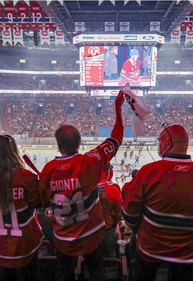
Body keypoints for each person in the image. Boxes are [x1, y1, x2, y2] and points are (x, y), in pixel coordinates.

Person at [40, 90, 125, 281]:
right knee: (95, 272)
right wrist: (118, 107)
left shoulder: (48, 170)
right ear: (79, 143)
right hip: (92, 235)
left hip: (63, 237)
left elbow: (45, 203)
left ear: (58, 146)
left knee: (63, 272)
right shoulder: (91, 161)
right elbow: (117, 136)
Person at [122, 124, 193, 281]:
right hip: (188, 252)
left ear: (167, 143)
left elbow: (129, 211)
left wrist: (140, 228)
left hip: (150, 248)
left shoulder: (148, 172)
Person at [0, 135, 43, 281]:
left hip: (0, 244)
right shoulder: (26, 176)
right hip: (27, 243)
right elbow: (37, 203)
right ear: (14, 152)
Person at [97, 164, 123, 257]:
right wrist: (114, 223)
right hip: (107, 230)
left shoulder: (85, 189)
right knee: (110, 256)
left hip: (90, 232)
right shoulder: (114, 191)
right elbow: (118, 214)